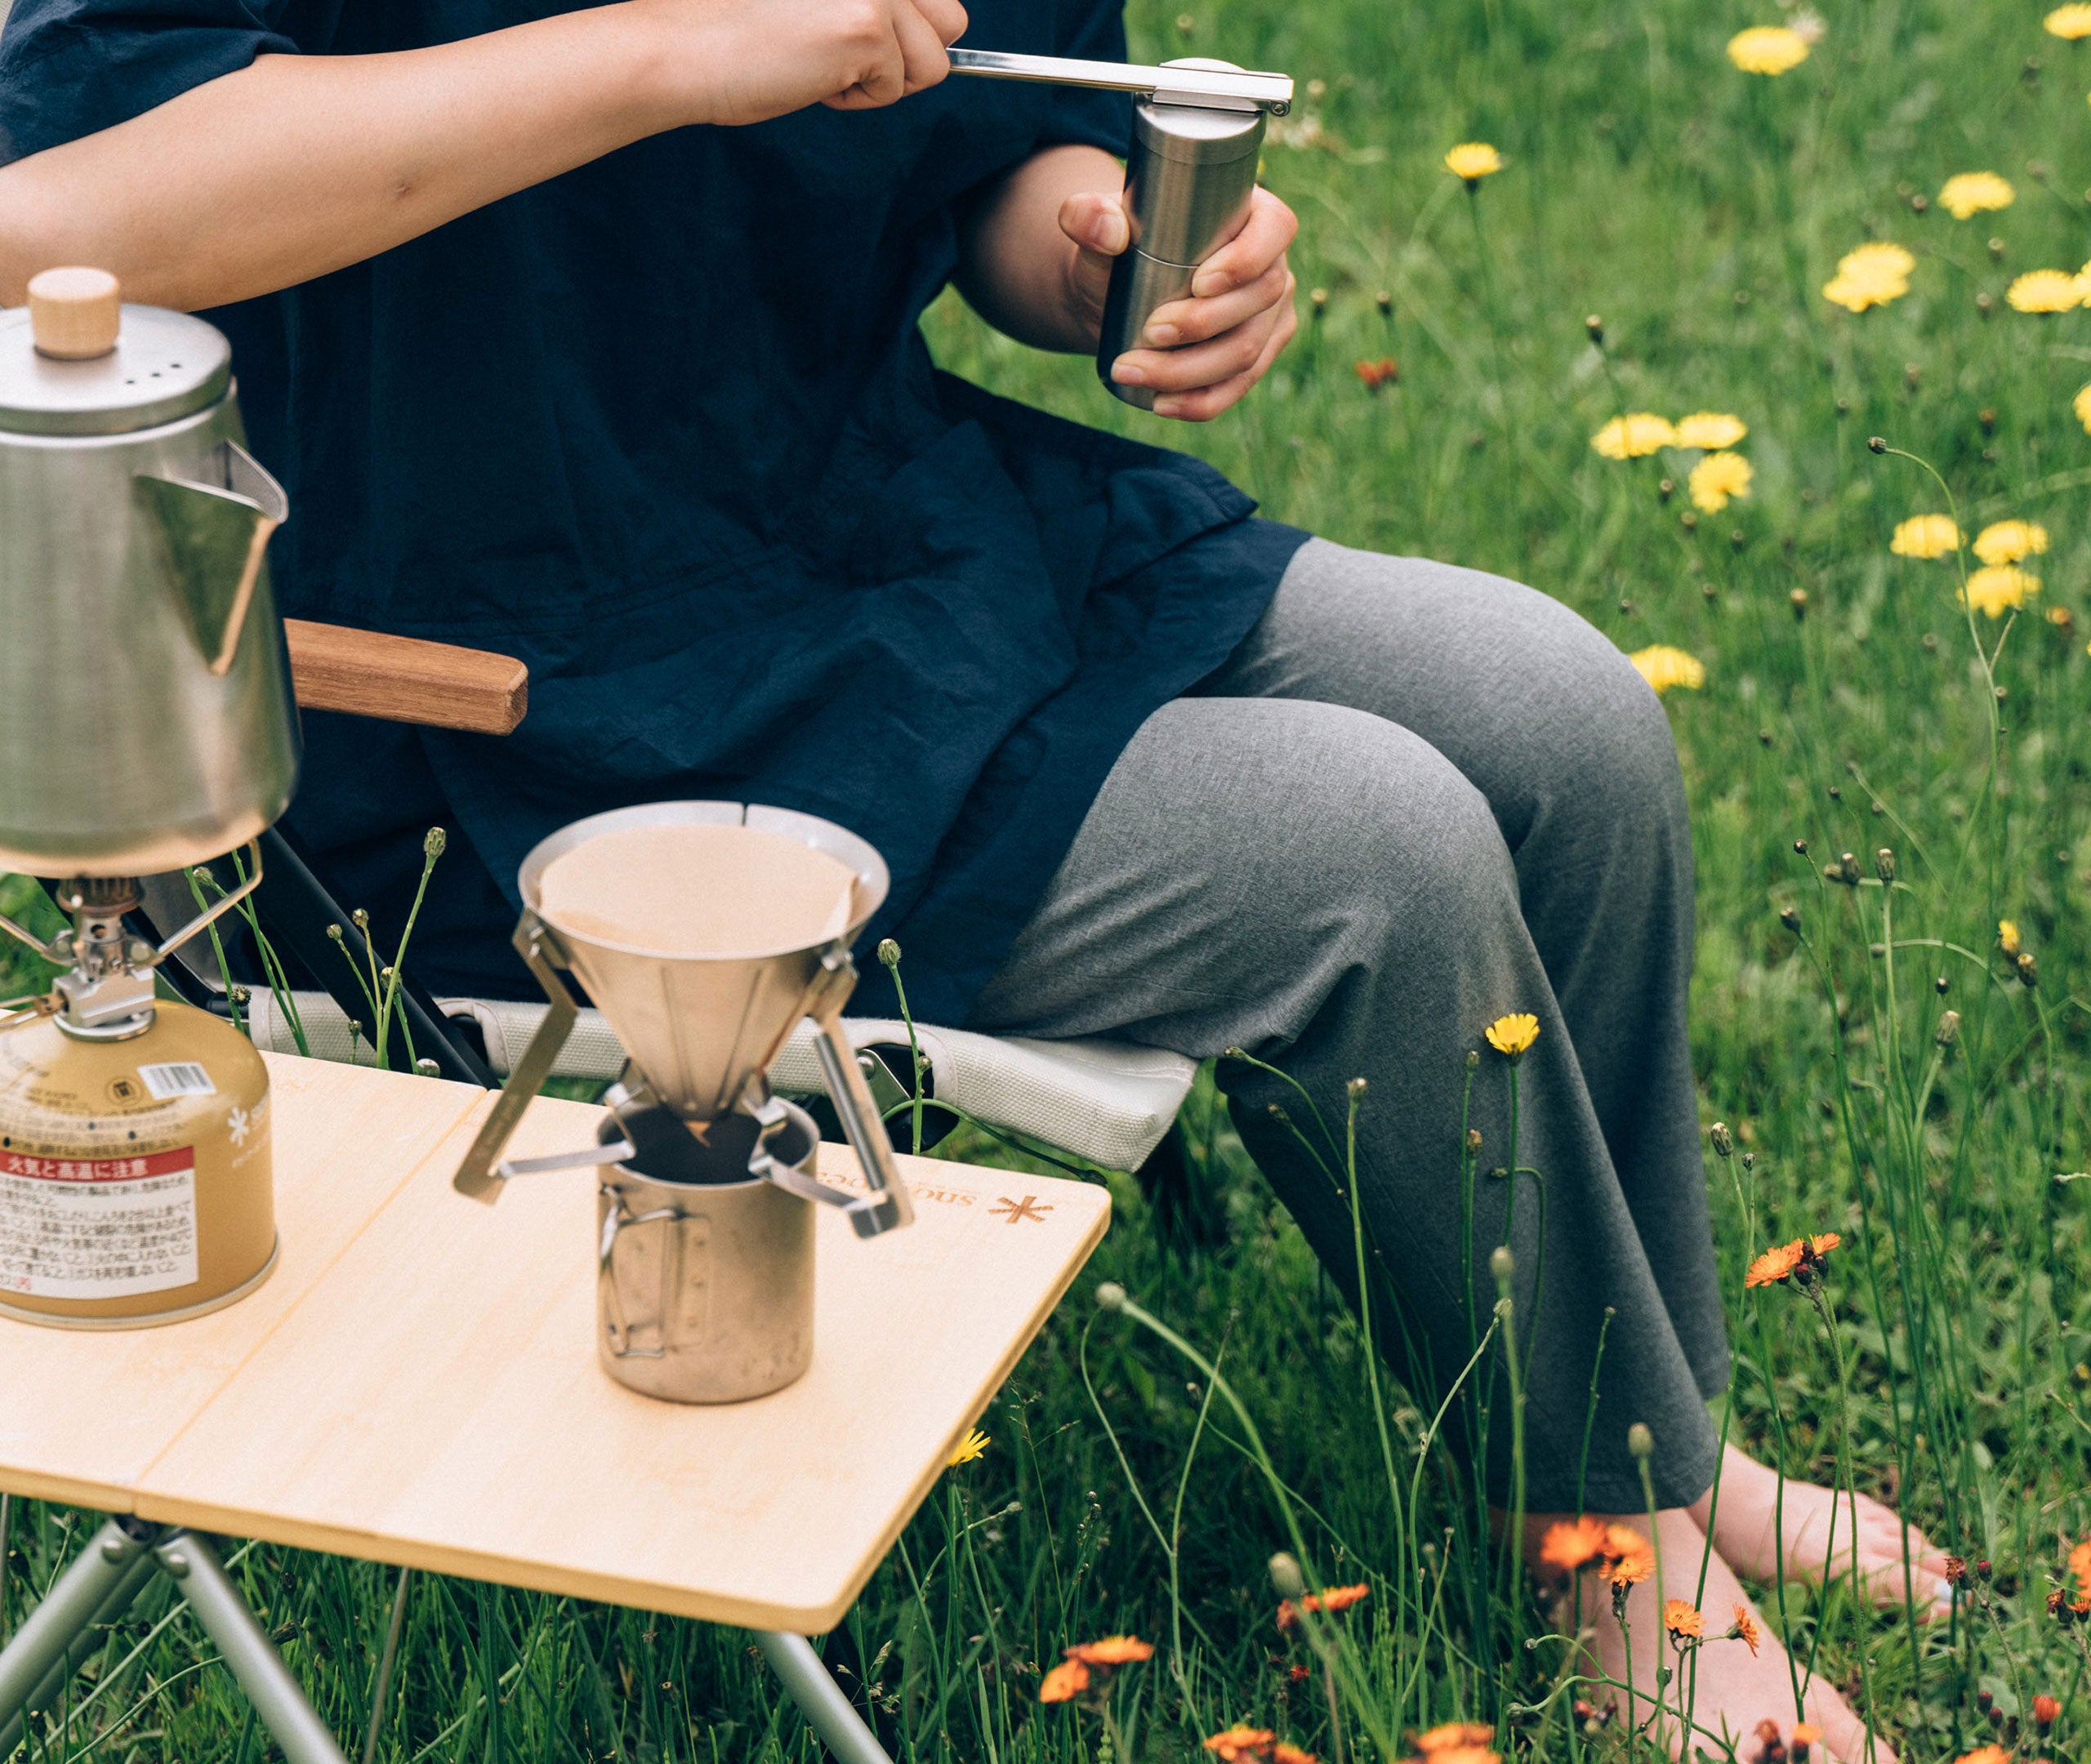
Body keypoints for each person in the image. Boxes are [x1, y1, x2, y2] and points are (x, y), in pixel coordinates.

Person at [0, 1, 1946, 1750]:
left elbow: (982, 140)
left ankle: (1643, 1427)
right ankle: (1610, 1559)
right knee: (1365, 860)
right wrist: (672, 51)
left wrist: (1097, 248)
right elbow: (62, 220)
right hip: (472, 685)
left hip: (847, 524)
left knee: (1554, 714)